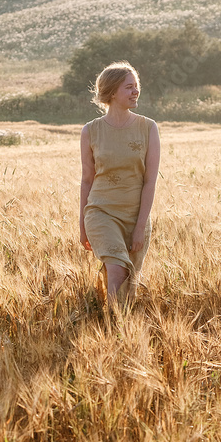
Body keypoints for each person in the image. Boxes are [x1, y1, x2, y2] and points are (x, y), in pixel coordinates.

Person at [79, 62, 161, 306]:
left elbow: (150, 181)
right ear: (112, 92)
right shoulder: (90, 131)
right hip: (101, 212)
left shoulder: (148, 128)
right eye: (129, 87)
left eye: (137, 86)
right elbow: (86, 180)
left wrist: (139, 227)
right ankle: (115, 327)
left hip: (135, 214)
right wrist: (82, 224)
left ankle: (119, 332)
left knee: (129, 281)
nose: (135, 91)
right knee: (117, 271)